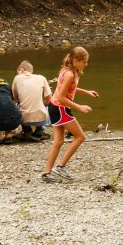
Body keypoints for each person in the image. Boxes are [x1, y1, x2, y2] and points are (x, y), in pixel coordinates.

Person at [42, 47, 99, 184]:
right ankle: (60, 167)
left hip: (54, 107)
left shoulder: (70, 70)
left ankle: (46, 173)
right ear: (75, 61)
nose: (86, 64)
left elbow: (69, 90)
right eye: (84, 62)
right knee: (80, 137)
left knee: (59, 141)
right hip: (60, 108)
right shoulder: (69, 74)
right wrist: (79, 107)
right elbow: (61, 97)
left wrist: (86, 92)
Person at [11, 60, 52, 142]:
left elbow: (15, 98)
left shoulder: (17, 78)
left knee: (15, 105)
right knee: (52, 105)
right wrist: (42, 105)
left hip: (24, 119)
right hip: (42, 118)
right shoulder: (42, 77)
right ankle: (39, 130)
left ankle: (27, 130)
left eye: (18, 72)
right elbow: (50, 99)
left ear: (21, 70)